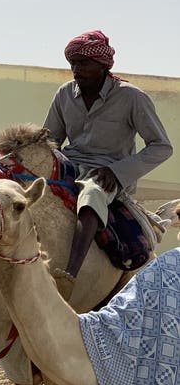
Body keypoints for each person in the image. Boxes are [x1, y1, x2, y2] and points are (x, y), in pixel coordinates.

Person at [43, 29, 173, 299]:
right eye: (73, 63)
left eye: (84, 63)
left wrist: (118, 171)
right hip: (68, 163)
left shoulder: (132, 98)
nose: (76, 70)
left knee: (91, 195)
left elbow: (162, 146)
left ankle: (69, 275)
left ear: (103, 66)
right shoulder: (64, 94)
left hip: (106, 174)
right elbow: (50, 140)